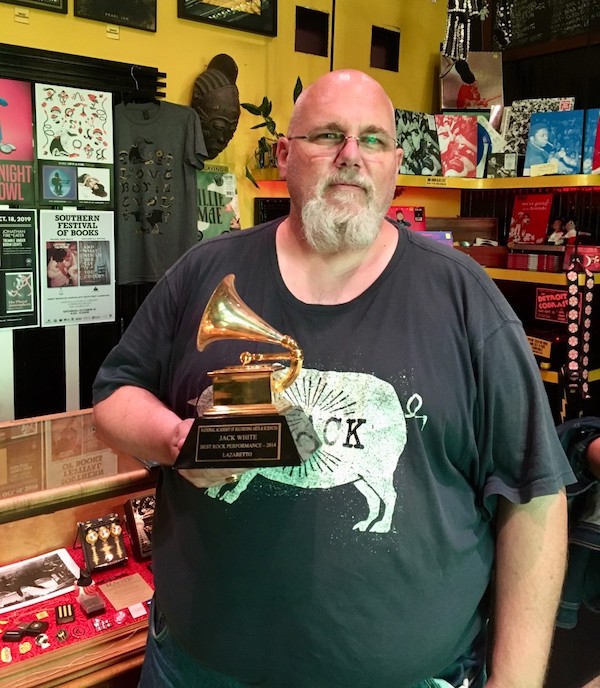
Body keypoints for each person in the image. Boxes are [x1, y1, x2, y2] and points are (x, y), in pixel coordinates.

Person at [92, 69, 573, 688]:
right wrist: (177, 443)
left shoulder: (465, 298)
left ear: (395, 164)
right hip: (196, 667)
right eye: (328, 135)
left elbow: (534, 496)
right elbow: (113, 398)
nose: (351, 155)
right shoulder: (203, 271)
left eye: (373, 139)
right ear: (285, 156)